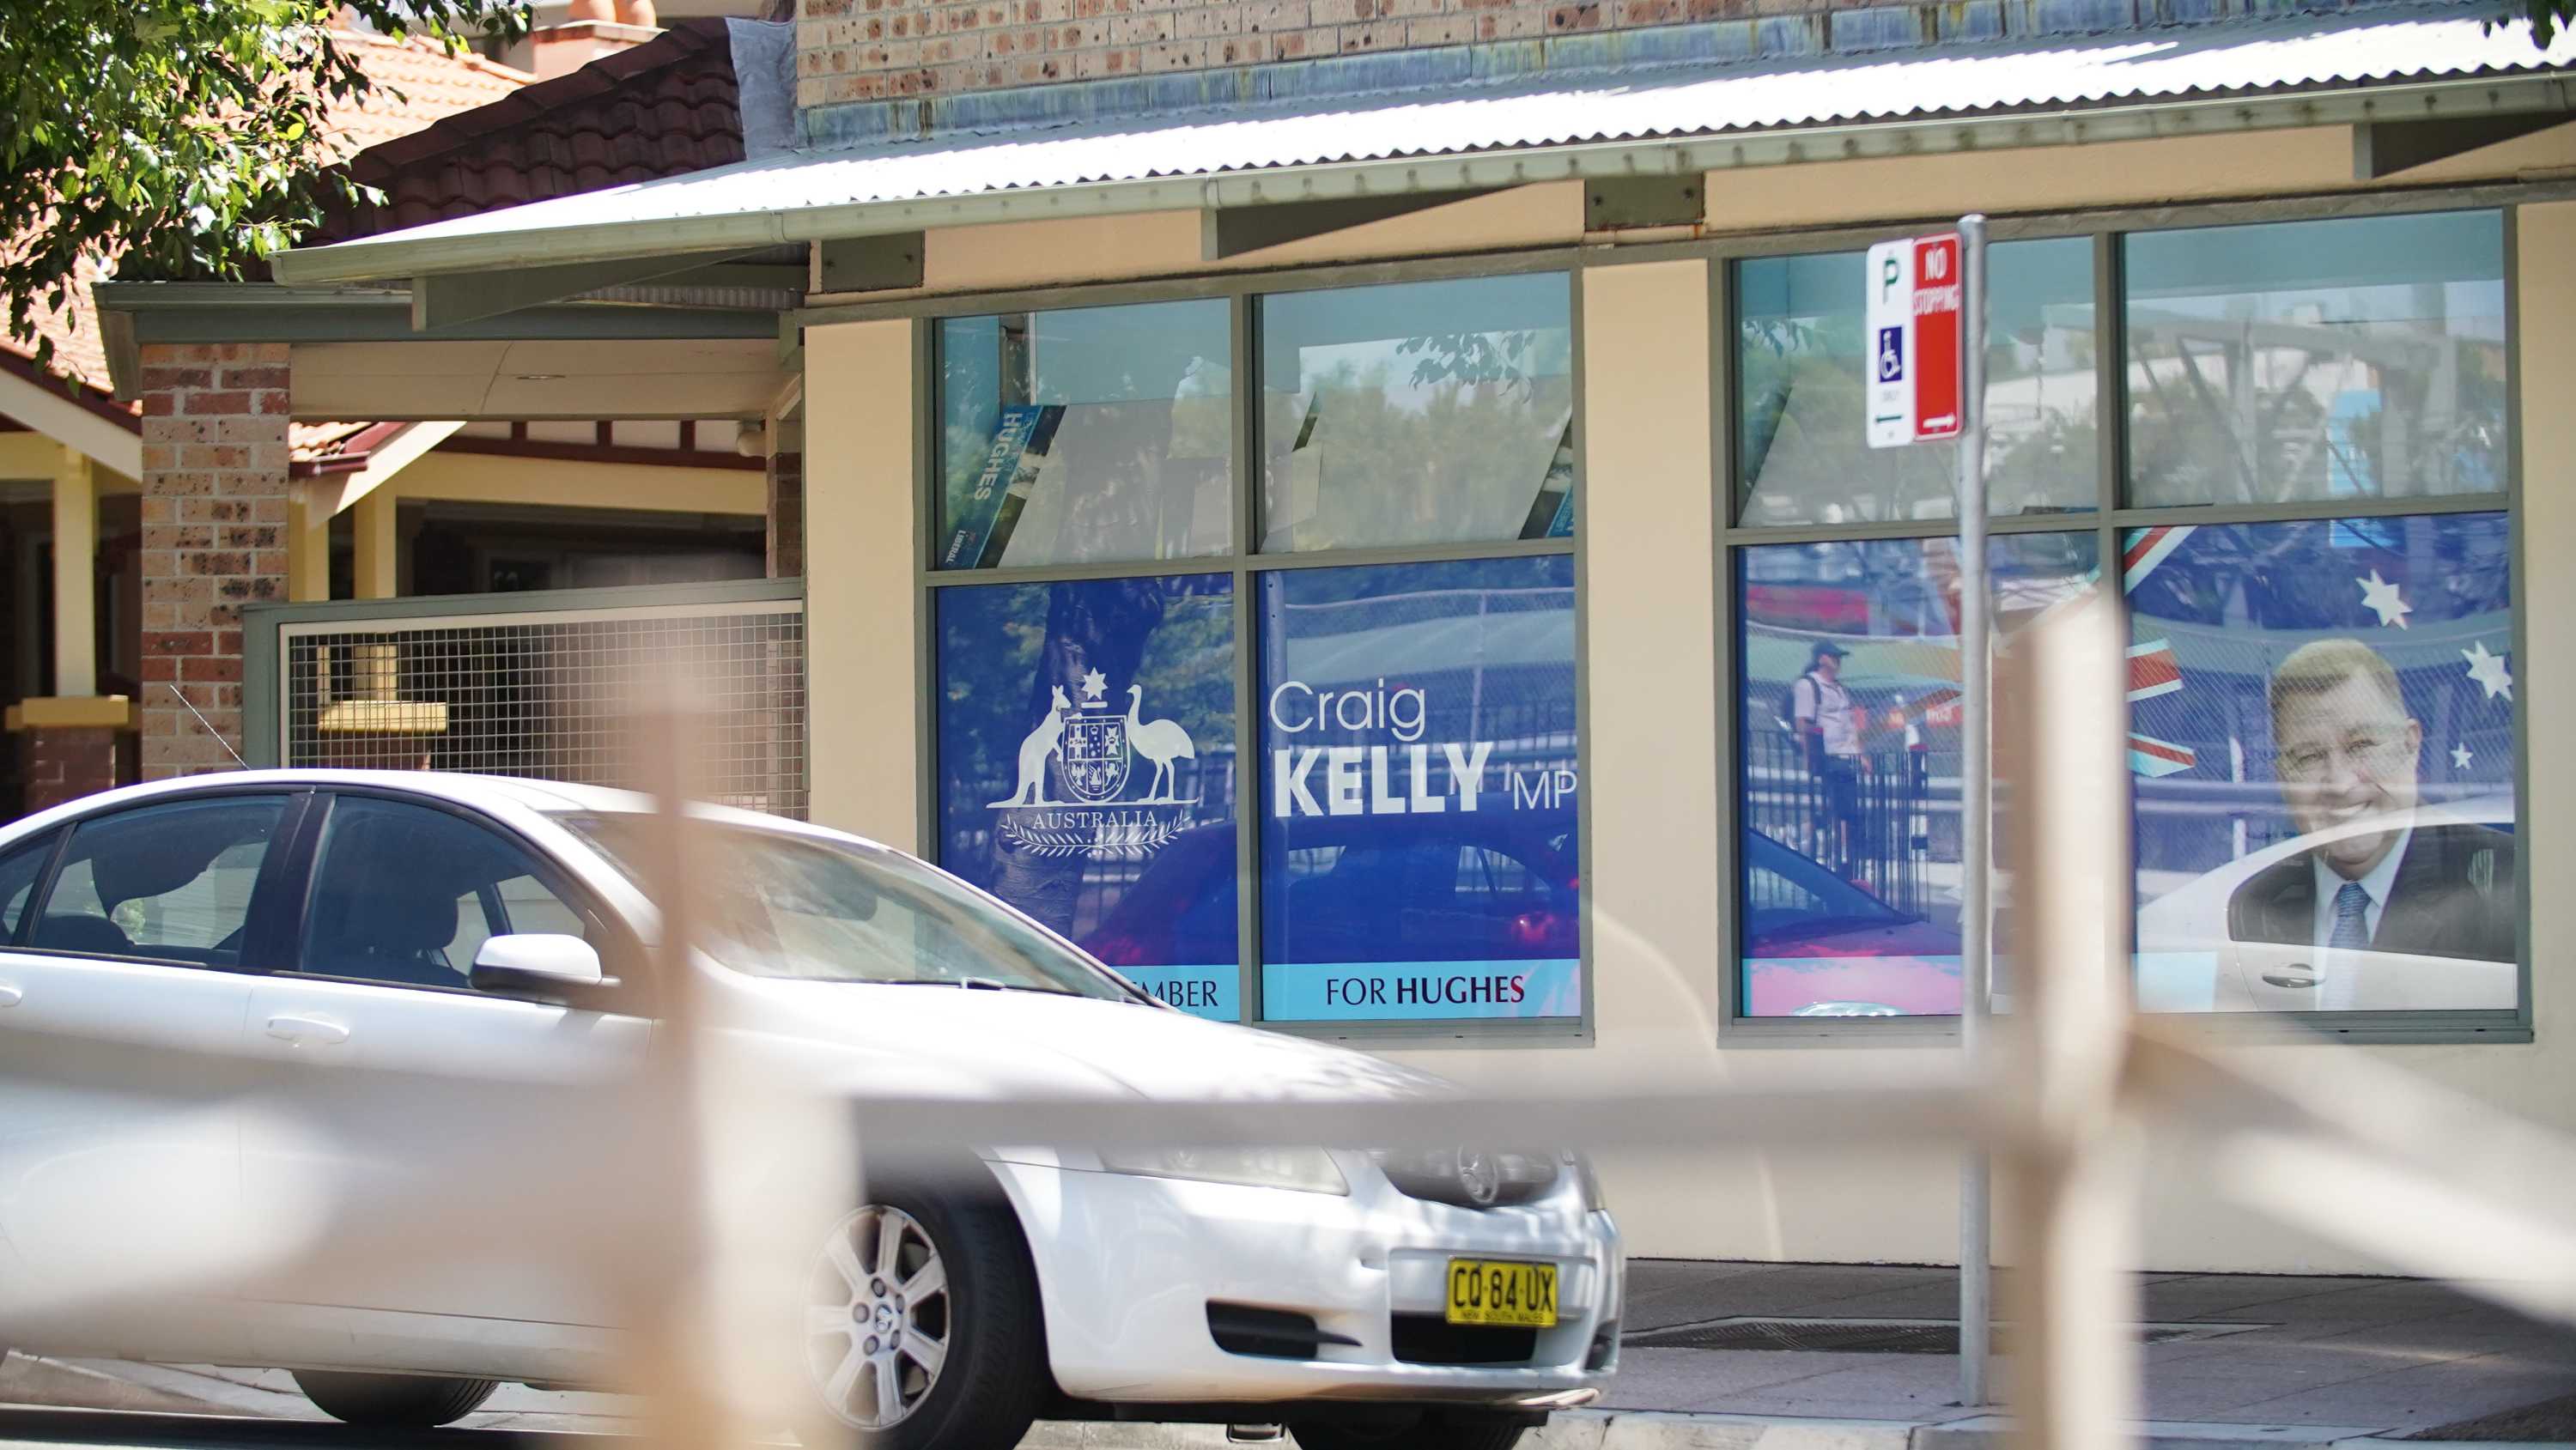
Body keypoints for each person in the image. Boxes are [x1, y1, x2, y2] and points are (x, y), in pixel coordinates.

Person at [2227, 638, 2516, 999]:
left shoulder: (2506, 884)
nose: (2340, 783)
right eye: (2308, 757)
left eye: (2362, 745)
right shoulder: (2255, 906)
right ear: (2283, 776)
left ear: (2411, 746)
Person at [1789, 640, 1866, 877]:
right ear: (1822, 658)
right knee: (1841, 809)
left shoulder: (1840, 688)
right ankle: (1838, 857)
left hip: (1847, 755)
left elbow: (1850, 724)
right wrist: (1810, 758)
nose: (1838, 662)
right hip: (1827, 755)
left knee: (1843, 809)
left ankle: (1802, 836)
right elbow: (1803, 723)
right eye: (1834, 657)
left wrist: (1861, 754)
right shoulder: (1808, 685)